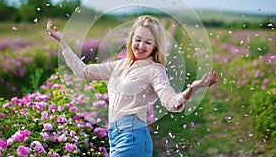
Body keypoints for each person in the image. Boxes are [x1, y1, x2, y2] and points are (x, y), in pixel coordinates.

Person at [46, 15, 217, 157]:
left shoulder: (154, 70)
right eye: (138, 39)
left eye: (148, 42)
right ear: (131, 40)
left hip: (133, 138)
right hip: (115, 136)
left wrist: (192, 88)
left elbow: (171, 101)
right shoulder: (121, 65)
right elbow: (83, 71)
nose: (141, 46)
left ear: (155, 46)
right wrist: (62, 42)